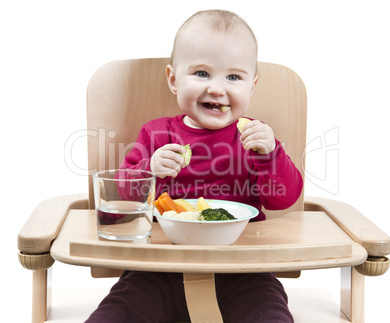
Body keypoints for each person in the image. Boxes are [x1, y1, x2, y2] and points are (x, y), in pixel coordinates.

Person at [86, 9, 303, 323]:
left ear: (251, 86)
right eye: (202, 73)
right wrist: (149, 169)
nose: (216, 88)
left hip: (242, 267)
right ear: (174, 80)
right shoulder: (157, 134)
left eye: (233, 77)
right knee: (119, 310)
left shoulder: (255, 137)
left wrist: (271, 154)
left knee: (267, 312)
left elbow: (283, 198)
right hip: (158, 266)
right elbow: (121, 193)